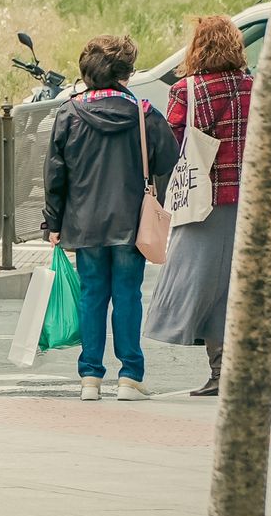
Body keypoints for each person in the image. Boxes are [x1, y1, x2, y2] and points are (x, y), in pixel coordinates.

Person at [143, 16, 271, 397]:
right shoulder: (256, 88)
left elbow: (171, 145)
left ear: (197, 48)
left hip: (204, 202)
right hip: (255, 203)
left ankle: (221, 371)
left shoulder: (187, 90)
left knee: (206, 287)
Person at [43, 34, 176, 402]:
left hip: (83, 223)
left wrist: (52, 223)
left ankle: (90, 377)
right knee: (128, 296)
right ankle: (130, 376)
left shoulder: (69, 113)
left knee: (92, 296)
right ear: (126, 74)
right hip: (131, 223)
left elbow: (55, 175)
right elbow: (168, 157)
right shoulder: (143, 113)